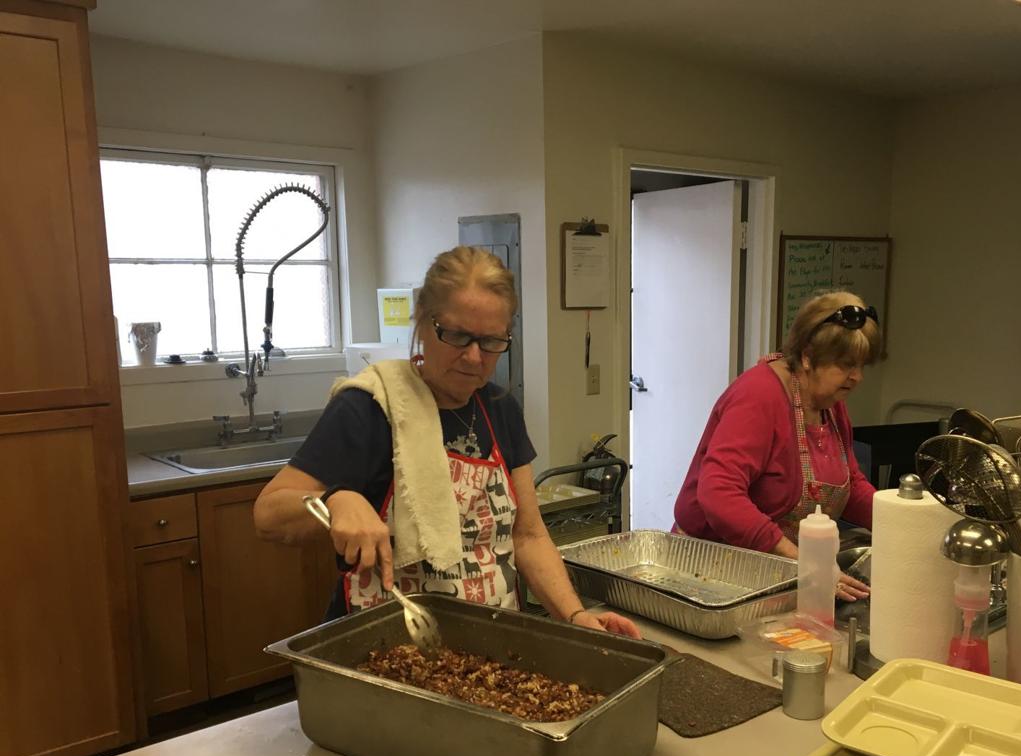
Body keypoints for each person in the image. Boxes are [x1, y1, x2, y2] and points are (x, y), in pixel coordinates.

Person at [254, 246, 640, 638]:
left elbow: (527, 535)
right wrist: (336, 501)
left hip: (493, 643)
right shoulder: (370, 409)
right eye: (457, 335)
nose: (474, 357)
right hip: (386, 645)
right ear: (423, 323)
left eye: (491, 341)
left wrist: (575, 616)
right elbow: (268, 513)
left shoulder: (500, 409)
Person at [672, 291, 880, 603]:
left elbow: (852, 486)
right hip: (710, 574)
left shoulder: (829, 403)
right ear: (808, 355)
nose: (857, 377)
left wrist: (905, 522)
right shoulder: (758, 396)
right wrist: (803, 563)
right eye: (845, 365)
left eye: (862, 365)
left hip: (776, 572)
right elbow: (719, 494)